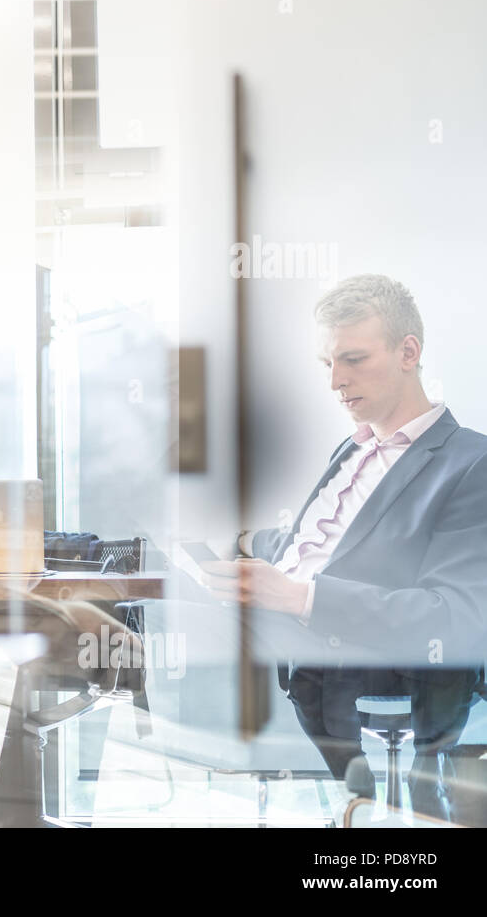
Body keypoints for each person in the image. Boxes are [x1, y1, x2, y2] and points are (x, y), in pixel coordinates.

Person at [205, 274, 487, 819]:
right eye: (327, 363)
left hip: (358, 653)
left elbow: (455, 619)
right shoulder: (353, 447)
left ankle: (342, 802)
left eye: (353, 359)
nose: (336, 381)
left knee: (171, 633)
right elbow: (323, 546)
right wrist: (241, 543)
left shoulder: (470, 464)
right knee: (144, 607)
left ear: (409, 352)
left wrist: (299, 598)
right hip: (287, 627)